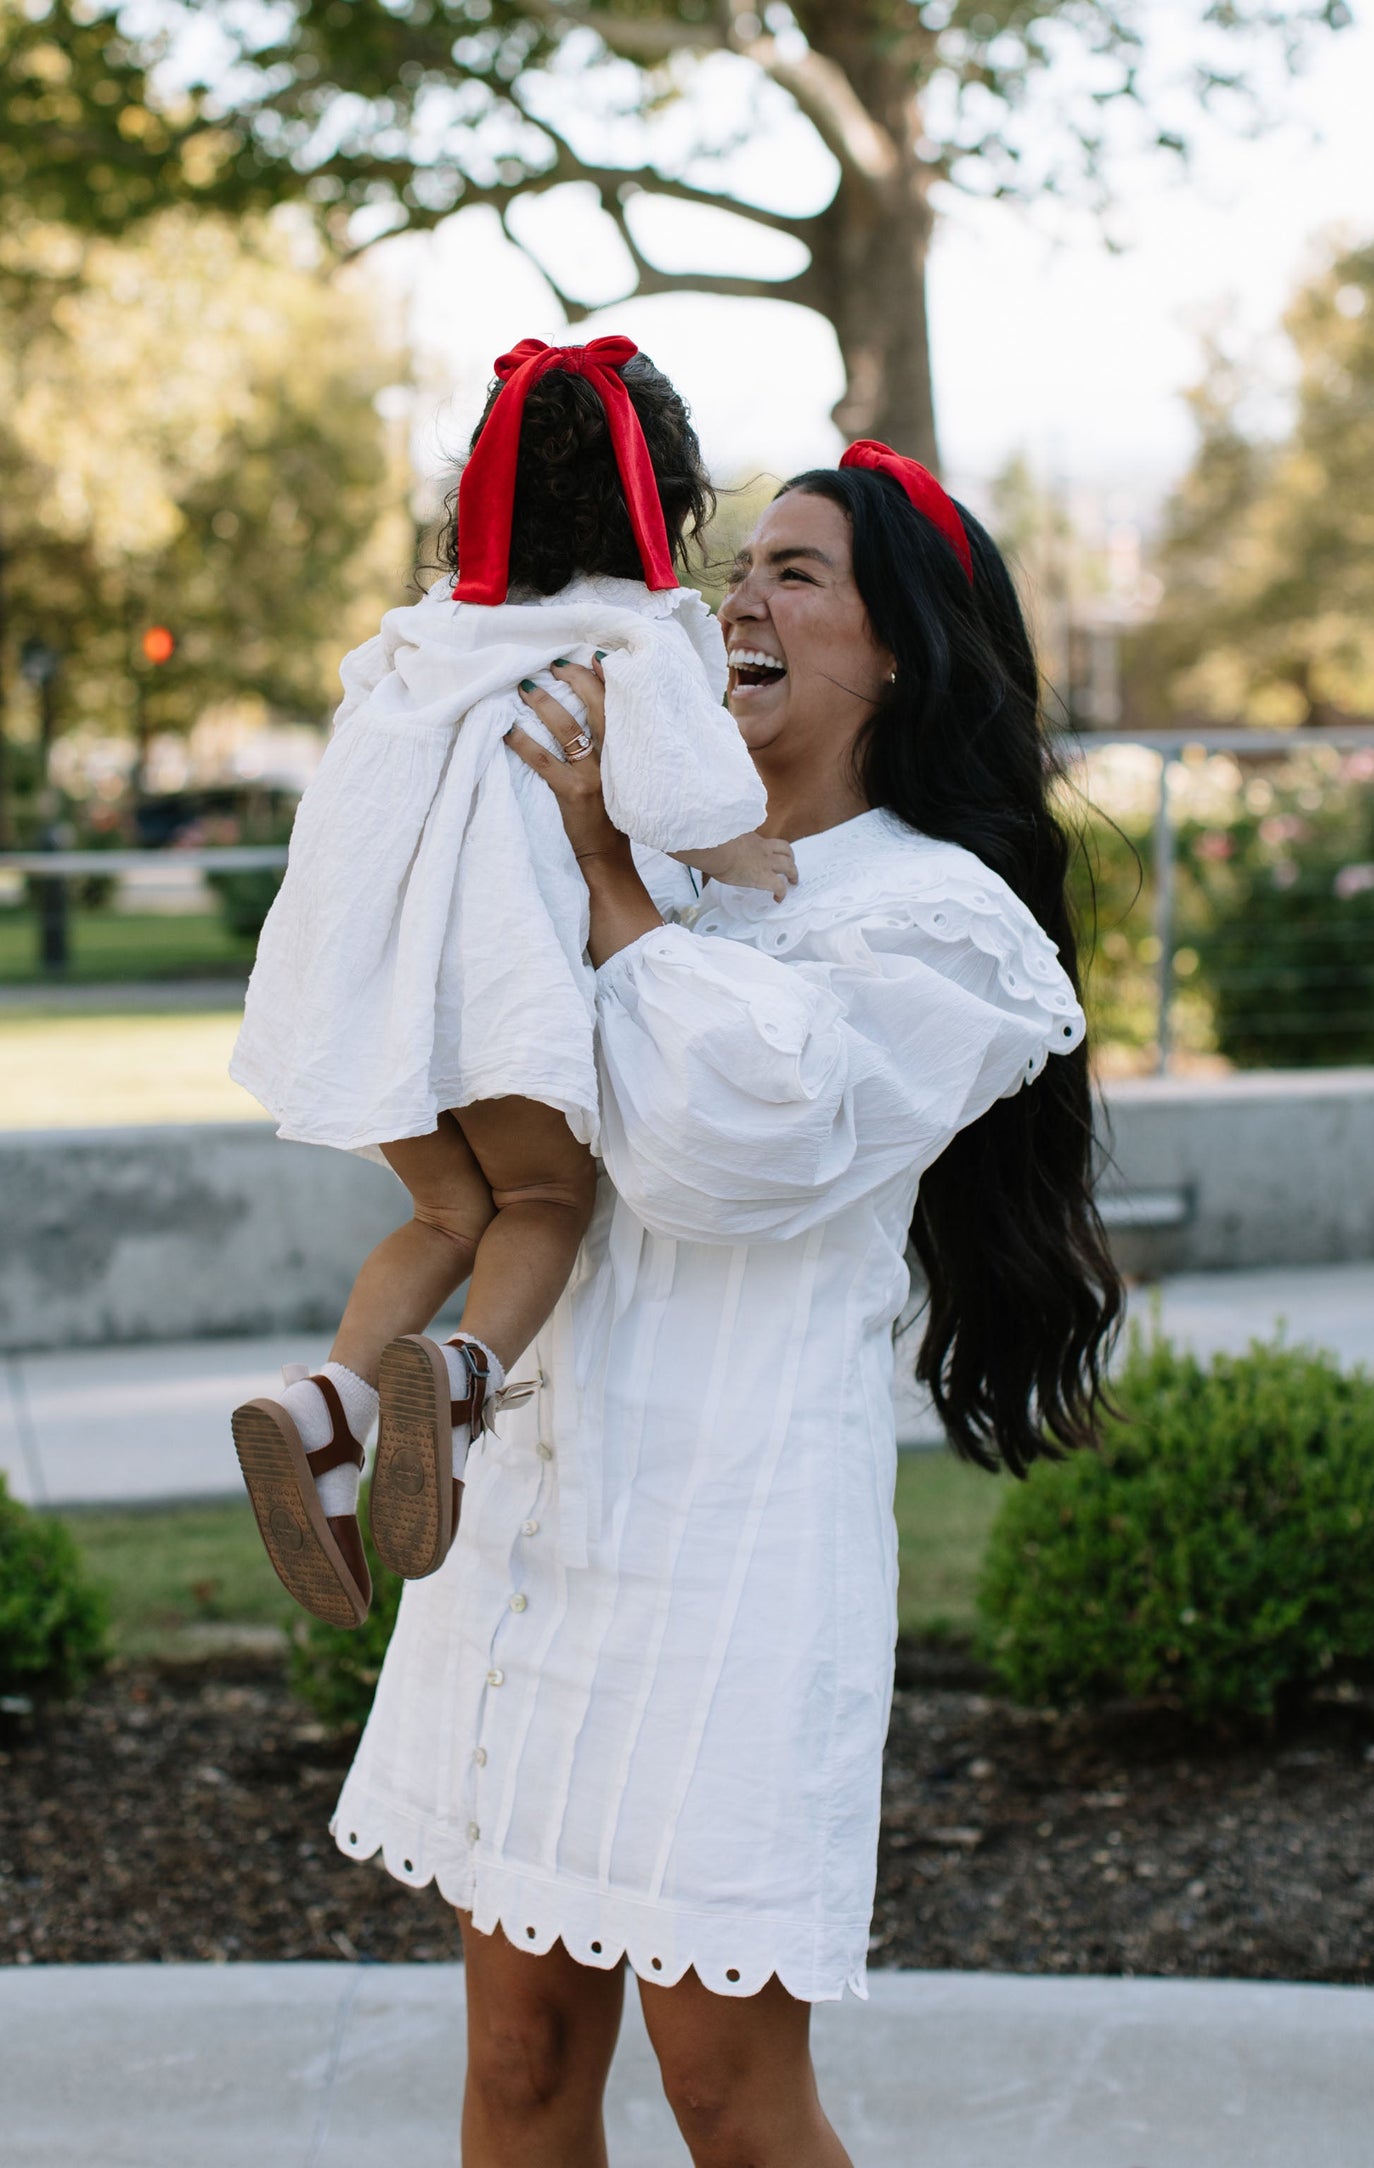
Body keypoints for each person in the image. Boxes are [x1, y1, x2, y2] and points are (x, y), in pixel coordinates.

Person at [329, 438, 1123, 2168]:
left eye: (800, 574)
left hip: (734, 1552)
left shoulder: (946, 920)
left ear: (898, 649)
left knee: (726, 2098)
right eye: (737, 562)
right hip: (543, 1516)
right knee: (519, 2065)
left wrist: (614, 881)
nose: (739, 597)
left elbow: (718, 1153)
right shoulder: (655, 836)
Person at [227, 337, 795, 1632]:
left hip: (369, 994)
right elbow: (672, 790)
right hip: (494, 994)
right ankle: (466, 1375)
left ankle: (326, 1400)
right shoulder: (632, 638)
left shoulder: (423, 641)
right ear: (666, 490)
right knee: (540, 1194)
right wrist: (740, 852)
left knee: (443, 1216)